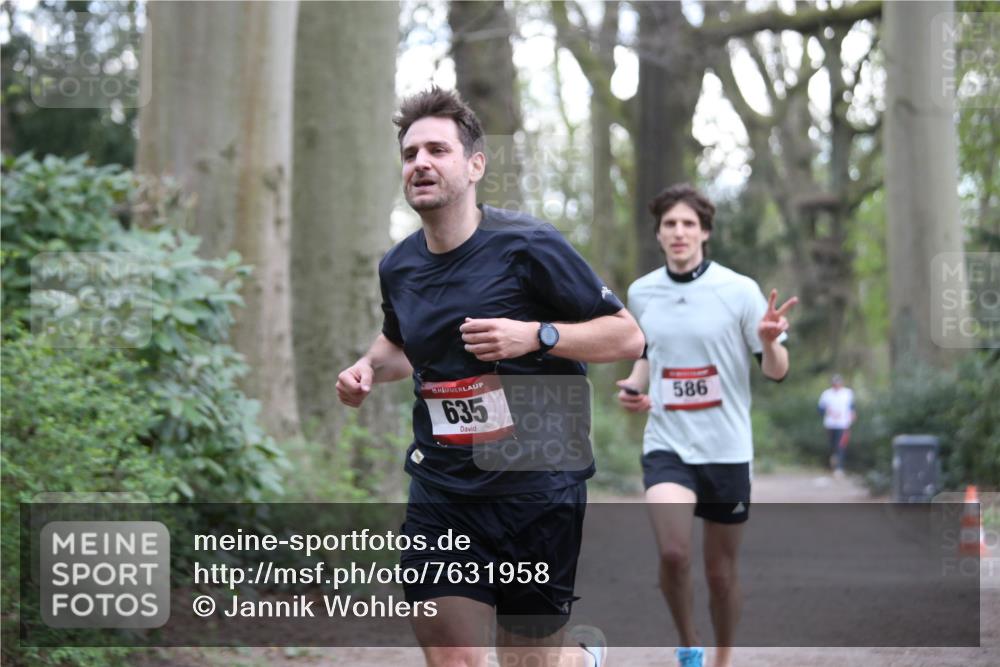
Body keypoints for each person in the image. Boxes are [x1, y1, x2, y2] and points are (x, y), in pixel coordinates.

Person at [336, 87, 644, 667]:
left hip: (536, 482)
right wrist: (366, 369)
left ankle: (578, 660)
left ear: (474, 165)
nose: (420, 162)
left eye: (437, 150)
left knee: (528, 662)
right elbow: (403, 347)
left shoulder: (529, 246)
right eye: (409, 154)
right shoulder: (398, 266)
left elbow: (627, 335)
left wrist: (537, 336)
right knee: (453, 657)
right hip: (443, 486)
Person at [616, 183, 796, 667]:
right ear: (658, 235)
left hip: (727, 449)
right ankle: (689, 644)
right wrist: (635, 386)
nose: (679, 232)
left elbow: (776, 370)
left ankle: (723, 657)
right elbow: (649, 353)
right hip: (668, 444)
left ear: (705, 232)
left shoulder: (739, 291)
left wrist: (770, 341)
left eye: (688, 224)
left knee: (720, 573)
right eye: (669, 224)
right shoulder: (642, 292)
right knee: (674, 554)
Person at [818, 374, 855, 476]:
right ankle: (833, 465)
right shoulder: (826, 394)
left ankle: (839, 468)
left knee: (841, 446)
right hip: (830, 424)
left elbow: (852, 407)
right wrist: (828, 411)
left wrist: (852, 415)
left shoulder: (848, 393)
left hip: (843, 424)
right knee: (832, 446)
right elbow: (820, 409)